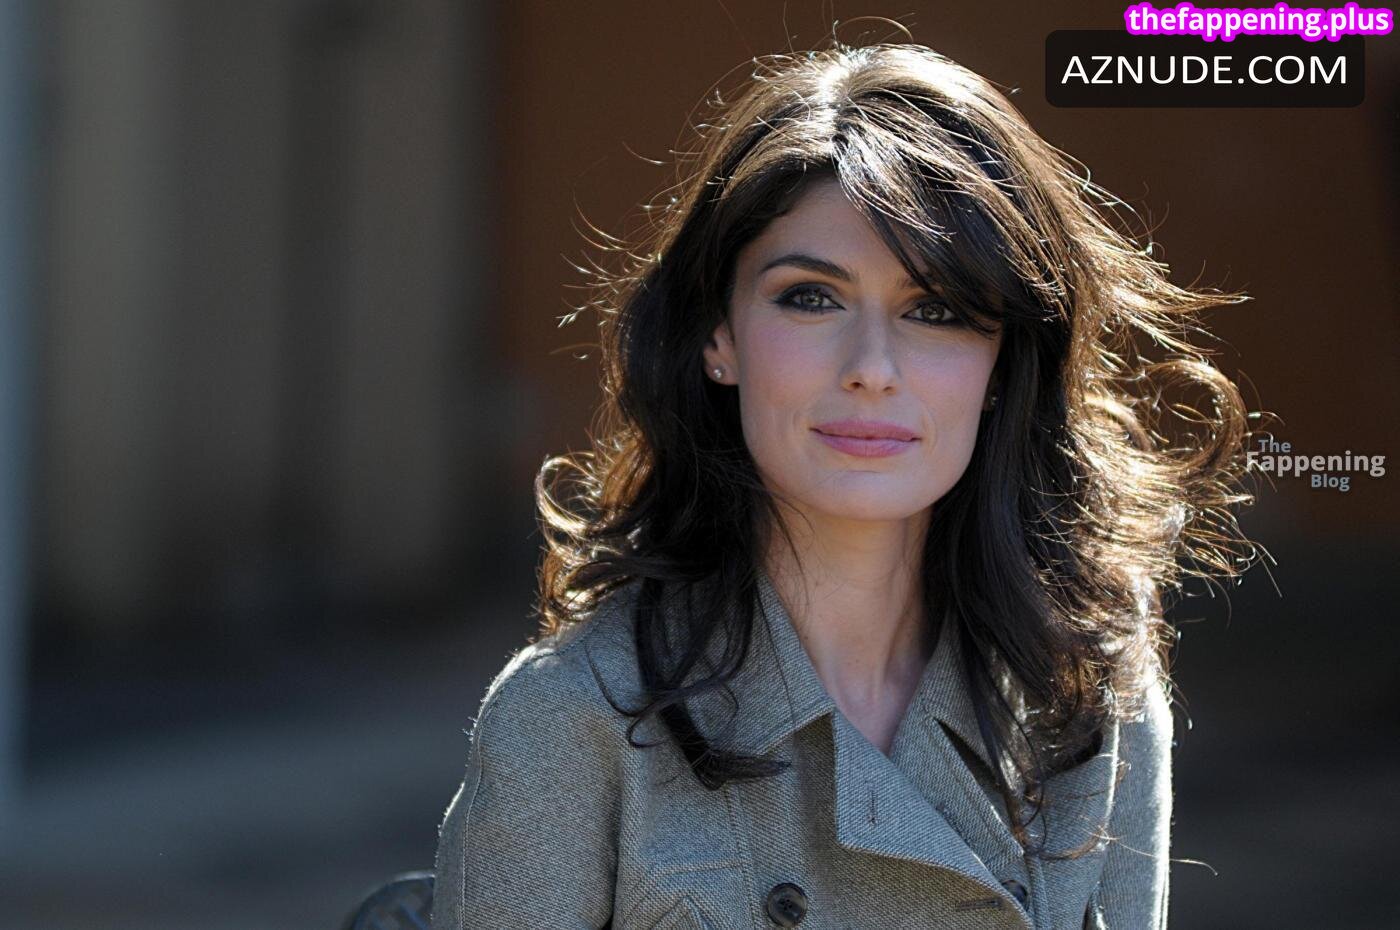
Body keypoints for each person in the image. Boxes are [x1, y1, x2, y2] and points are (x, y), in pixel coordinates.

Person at [432, 41, 1257, 930]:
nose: (872, 368)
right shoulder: (570, 719)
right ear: (718, 336)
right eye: (810, 298)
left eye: (935, 310)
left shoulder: (1088, 695)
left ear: (1003, 365)